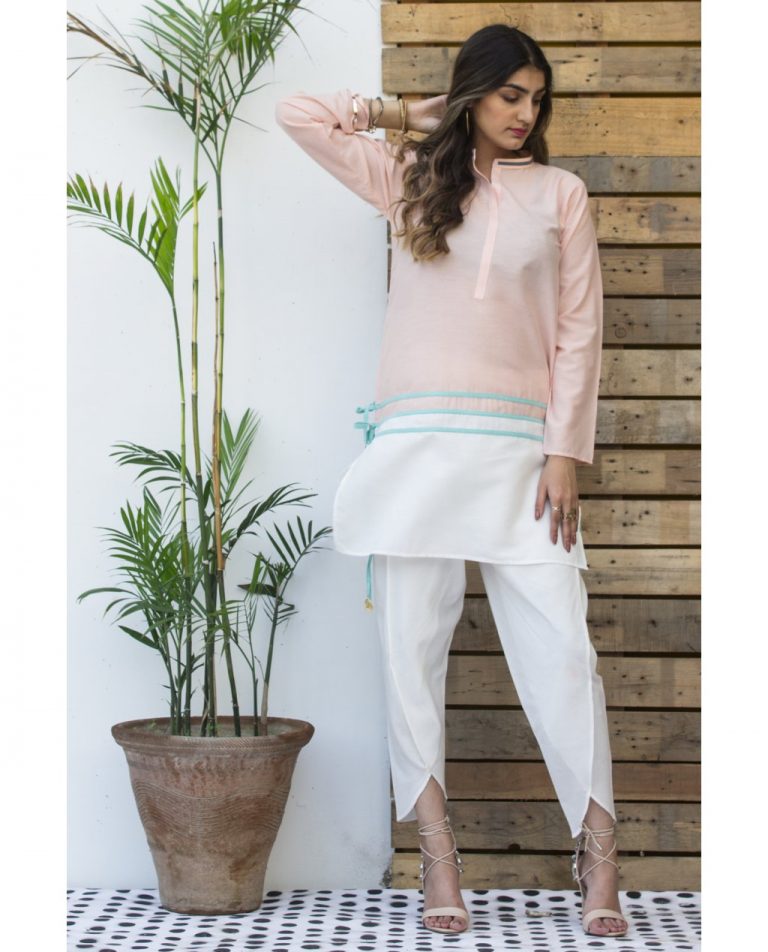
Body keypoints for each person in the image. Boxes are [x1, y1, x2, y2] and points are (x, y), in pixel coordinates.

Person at [275, 23, 629, 940]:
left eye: (536, 99)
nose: (525, 113)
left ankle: (598, 855)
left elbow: (579, 331)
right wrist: (404, 114)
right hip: (415, 453)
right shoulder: (408, 177)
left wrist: (564, 453)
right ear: (472, 93)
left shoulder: (561, 194)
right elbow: (299, 115)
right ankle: (438, 857)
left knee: (564, 656)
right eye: (509, 94)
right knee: (409, 655)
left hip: (521, 459)